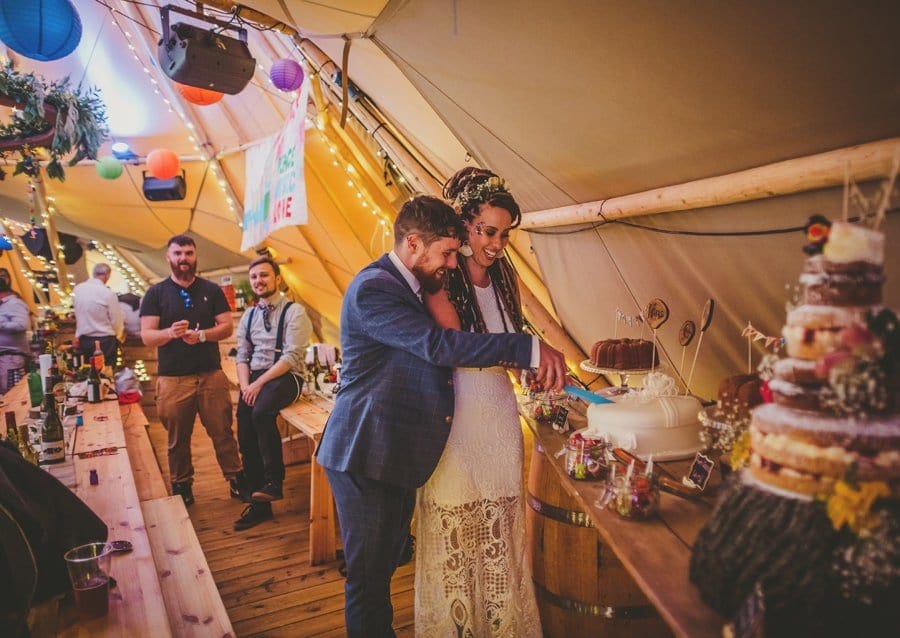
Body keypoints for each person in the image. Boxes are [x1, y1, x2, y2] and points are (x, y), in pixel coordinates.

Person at [316, 195, 567, 637]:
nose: (453, 263)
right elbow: (440, 347)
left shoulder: (411, 285)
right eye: (447, 253)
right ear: (413, 242)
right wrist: (526, 348)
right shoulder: (374, 288)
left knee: (385, 568)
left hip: (392, 454)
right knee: (368, 584)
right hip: (364, 453)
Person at [417, 168, 542, 636]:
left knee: (499, 537)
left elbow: (509, 340)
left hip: (499, 415)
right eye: (488, 231)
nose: (497, 244)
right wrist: (523, 352)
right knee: (458, 534)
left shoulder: (504, 274)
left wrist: (530, 367)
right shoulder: (441, 276)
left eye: (505, 235)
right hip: (455, 418)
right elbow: (456, 344)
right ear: (463, 224)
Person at [139, 235, 245, 507]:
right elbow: (147, 336)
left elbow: (226, 327)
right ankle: (182, 484)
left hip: (211, 374)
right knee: (177, 438)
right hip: (173, 379)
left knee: (222, 431)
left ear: (195, 256)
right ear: (168, 257)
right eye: (177, 253)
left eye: (188, 253)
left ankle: (236, 480)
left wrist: (201, 336)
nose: (183, 258)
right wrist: (169, 333)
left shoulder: (211, 289)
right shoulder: (156, 293)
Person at [233, 256, 312, 531]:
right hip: (253, 378)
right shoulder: (249, 315)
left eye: (264, 275)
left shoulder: (294, 312)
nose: (259, 281)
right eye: (254, 277)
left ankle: (274, 480)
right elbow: (241, 355)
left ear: (277, 278)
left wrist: (258, 384)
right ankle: (259, 504)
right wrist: (245, 387)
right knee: (244, 428)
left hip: (286, 376)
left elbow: (291, 357)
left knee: (262, 412)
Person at [72, 263, 124, 367]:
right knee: (106, 374)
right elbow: (116, 319)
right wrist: (118, 334)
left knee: (86, 372)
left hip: (84, 340)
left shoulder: (78, 289)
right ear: (107, 275)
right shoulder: (107, 293)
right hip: (106, 340)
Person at [0, 277, 31, 393]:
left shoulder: (14, 304)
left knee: (12, 393)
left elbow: (21, 325)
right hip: (5, 357)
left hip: (11, 357)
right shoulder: (3, 305)